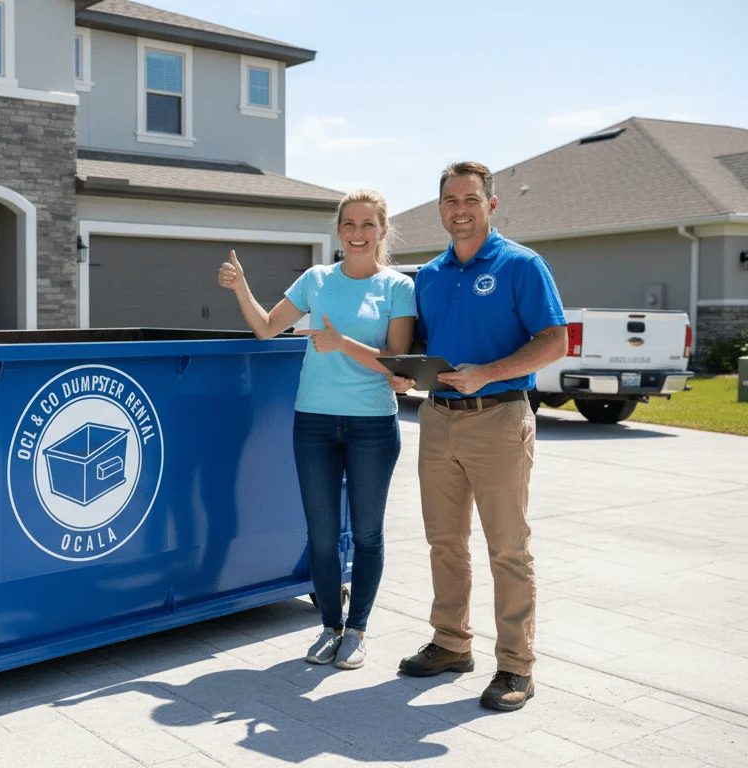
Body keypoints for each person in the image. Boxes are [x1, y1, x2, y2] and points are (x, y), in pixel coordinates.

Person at [391, 161, 567, 712]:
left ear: (491, 205)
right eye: (450, 201)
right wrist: (404, 372)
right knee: (444, 541)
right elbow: (423, 343)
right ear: (440, 208)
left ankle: (516, 666)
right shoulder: (432, 274)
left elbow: (555, 341)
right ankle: (451, 643)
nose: (460, 210)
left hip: (499, 417)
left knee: (507, 549)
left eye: (470, 199)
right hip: (438, 418)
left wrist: (488, 372)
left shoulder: (522, 265)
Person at [218, 189, 415, 670]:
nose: (358, 234)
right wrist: (242, 288)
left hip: (372, 422)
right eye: (349, 224)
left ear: (383, 231)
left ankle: (359, 630)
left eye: (368, 225)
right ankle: (330, 627)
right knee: (322, 535)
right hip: (314, 421)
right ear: (339, 230)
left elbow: (396, 366)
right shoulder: (316, 279)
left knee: (366, 533)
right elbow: (267, 328)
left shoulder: (397, 288)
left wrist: (341, 343)